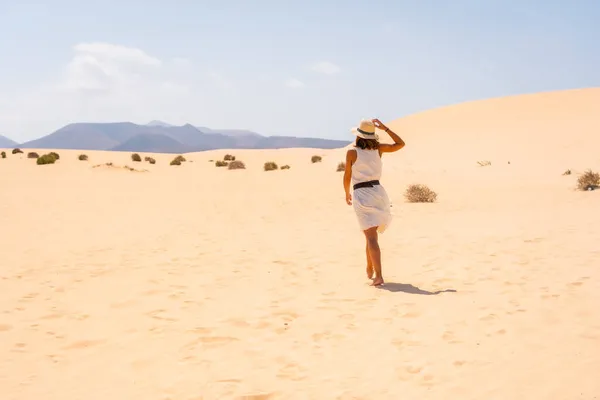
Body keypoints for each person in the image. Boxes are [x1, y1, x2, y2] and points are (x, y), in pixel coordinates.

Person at [343, 118, 405, 286]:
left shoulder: (352, 153)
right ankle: (369, 267)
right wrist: (386, 129)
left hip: (362, 193)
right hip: (378, 192)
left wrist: (346, 192)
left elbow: (347, 175)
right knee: (370, 234)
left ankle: (378, 275)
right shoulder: (378, 150)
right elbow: (400, 144)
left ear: (358, 136)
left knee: (370, 236)